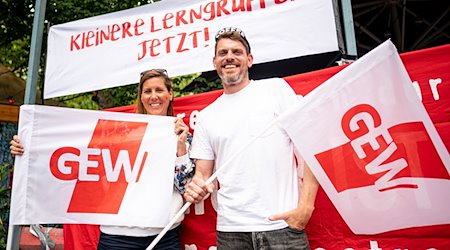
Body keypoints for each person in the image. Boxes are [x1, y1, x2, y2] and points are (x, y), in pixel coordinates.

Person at [10, 69, 195, 250]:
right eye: (147, 91)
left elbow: (187, 189)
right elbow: (76, 154)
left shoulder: (183, 137)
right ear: (141, 97)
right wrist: (28, 148)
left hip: (165, 237)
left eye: (159, 90)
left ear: (170, 94)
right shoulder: (120, 132)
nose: (154, 96)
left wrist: (180, 149)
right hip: (118, 238)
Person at [183, 27, 319, 250]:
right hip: (231, 233)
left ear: (249, 59)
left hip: (282, 227)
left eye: (236, 52)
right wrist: (195, 188)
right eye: (223, 53)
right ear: (215, 62)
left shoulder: (276, 89)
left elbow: (311, 144)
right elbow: (203, 176)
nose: (229, 57)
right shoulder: (207, 117)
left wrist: (306, 207)